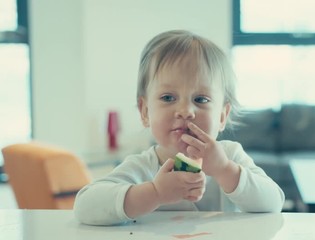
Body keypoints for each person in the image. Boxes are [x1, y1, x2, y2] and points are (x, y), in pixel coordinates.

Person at [74, 30, 285, 225]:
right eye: (168, 97)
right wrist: (155, 193)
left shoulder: (229, 156)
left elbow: (274, 203)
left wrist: (224, 170)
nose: (185, 111)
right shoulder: (143, 167)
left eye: (201, 99)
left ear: (222, 116)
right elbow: (85, 207)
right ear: (145, 112)